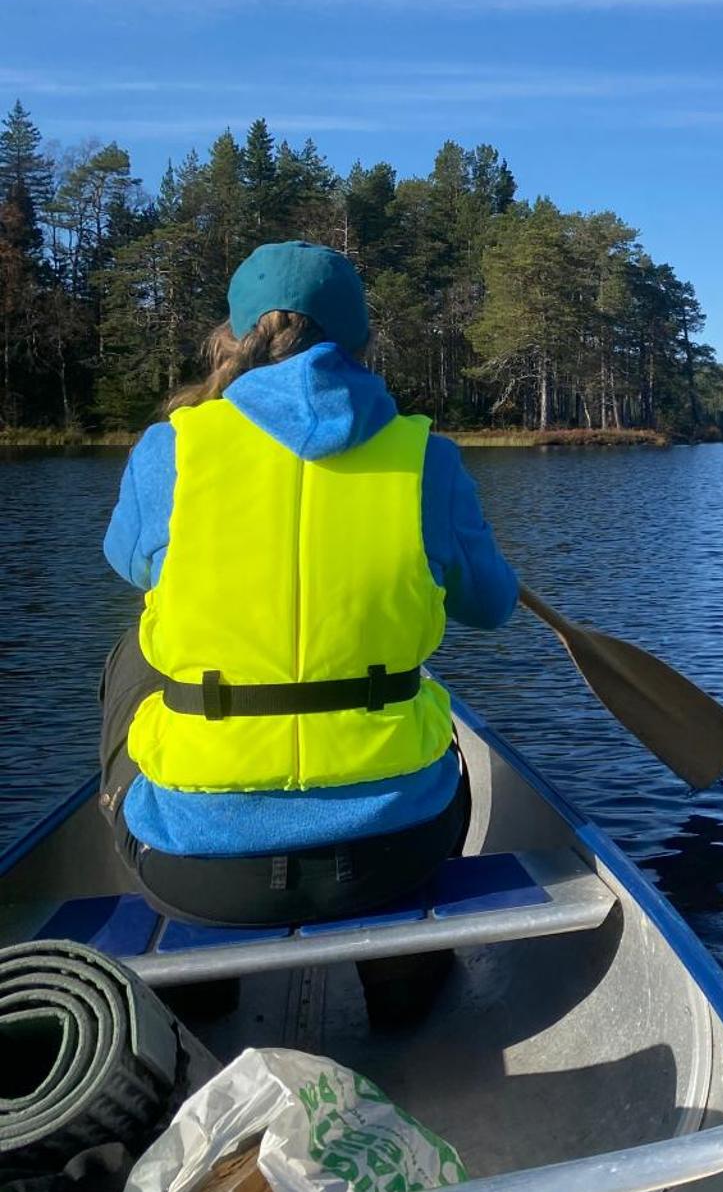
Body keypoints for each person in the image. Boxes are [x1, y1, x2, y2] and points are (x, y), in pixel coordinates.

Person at [99, 240, 518, 929]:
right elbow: (494, 606)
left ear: (231, 337)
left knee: (134, 652)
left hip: (197, 865)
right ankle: (406, 977)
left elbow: (131, 564)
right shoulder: (428, 459)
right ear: (361, 342)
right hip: (399, 848)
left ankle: (202, 976)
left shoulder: (170, 449)